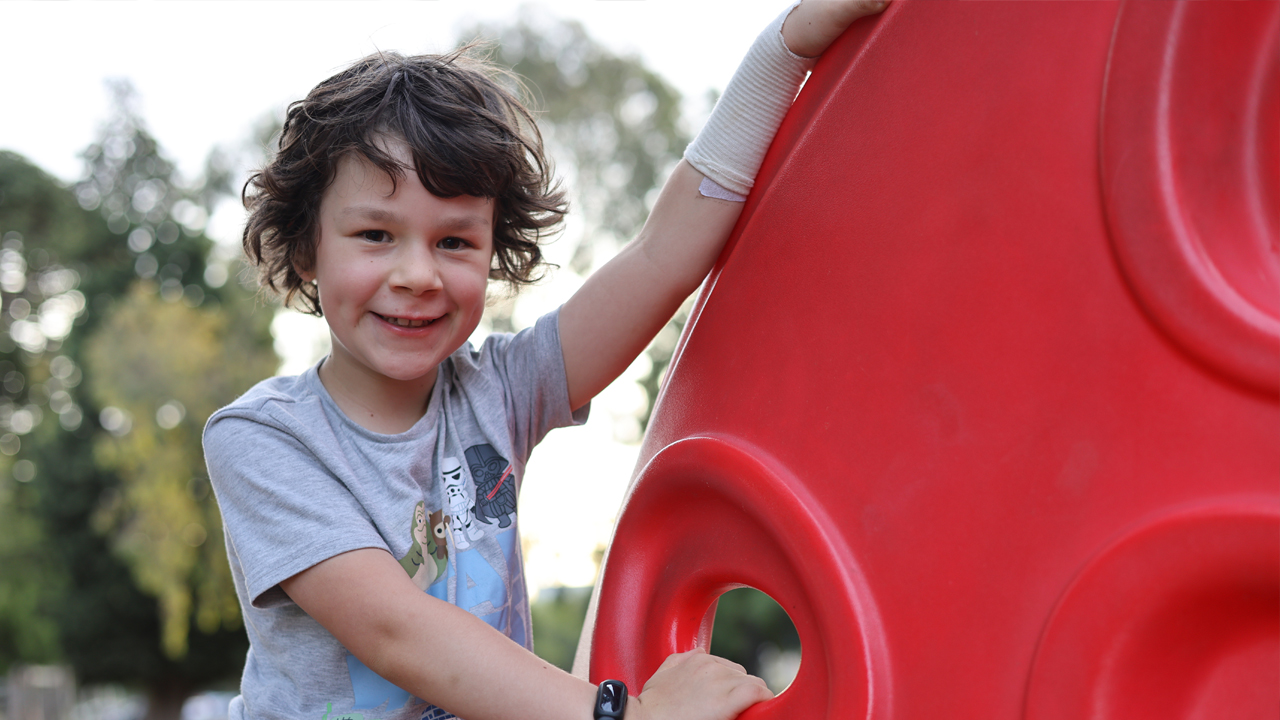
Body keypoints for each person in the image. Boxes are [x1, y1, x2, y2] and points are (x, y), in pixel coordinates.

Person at [203, 2, 889, 720]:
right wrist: (624, 714)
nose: (417, 274)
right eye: (375, 234)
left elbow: (662, 255)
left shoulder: (499, 390)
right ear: (309, 250)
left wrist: (787, 47)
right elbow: (396, 632)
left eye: (455, 242)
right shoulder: (264, 440)